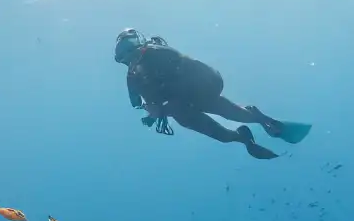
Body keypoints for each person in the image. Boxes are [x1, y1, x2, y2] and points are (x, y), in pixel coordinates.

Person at [114, 29, 310, 160]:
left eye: (130, 47)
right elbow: (145, 104)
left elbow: (183, 65)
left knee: (229, 112)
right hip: (184, 106)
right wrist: (152, 113)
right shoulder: (135, 80)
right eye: (124, 55)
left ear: (140, 43)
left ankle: (261, 119)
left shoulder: (158, 52)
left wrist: (158, 109)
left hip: (200, 90)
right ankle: (243, 137)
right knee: (222, 135)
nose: (131, 56)